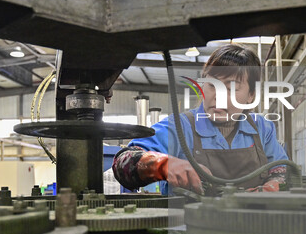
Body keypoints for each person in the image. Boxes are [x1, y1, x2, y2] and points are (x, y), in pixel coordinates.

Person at [112, 44, 288, 194]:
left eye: (232, 88)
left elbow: (283, 171)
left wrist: (270, 189)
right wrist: (162, 165)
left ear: (251, 95)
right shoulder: (180, 127)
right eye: (212, 85)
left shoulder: (262, 129)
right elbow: (122, 161)